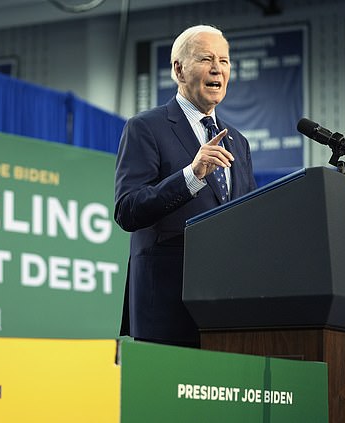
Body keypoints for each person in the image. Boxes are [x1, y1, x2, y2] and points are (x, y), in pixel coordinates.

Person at [114, 25, 257, 348]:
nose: (218, 68)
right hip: (166, 309)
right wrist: (191, 176)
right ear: (178, 69)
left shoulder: (238, 142)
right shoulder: (146, 128)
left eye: (225, 60)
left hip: (229, 310)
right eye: (206, 58)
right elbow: (128, 210)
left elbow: (249, 217)